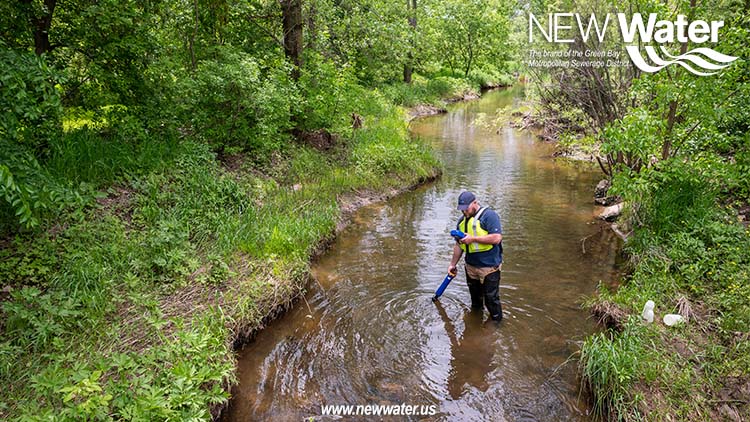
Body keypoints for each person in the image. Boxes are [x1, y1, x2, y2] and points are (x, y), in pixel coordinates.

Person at [447, 191, 504, 321]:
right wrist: (452, 264)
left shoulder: (489, 216)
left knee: (491, 299)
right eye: (461, 209)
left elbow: (496, 238)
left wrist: (473, 239)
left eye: (466, 208)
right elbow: (458, 246)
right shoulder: (462, 222)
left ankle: (496, 325)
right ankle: (475, 326)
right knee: (476, 301)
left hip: (489, 266)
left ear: (475, 203)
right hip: (471, 266)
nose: (464, 212)